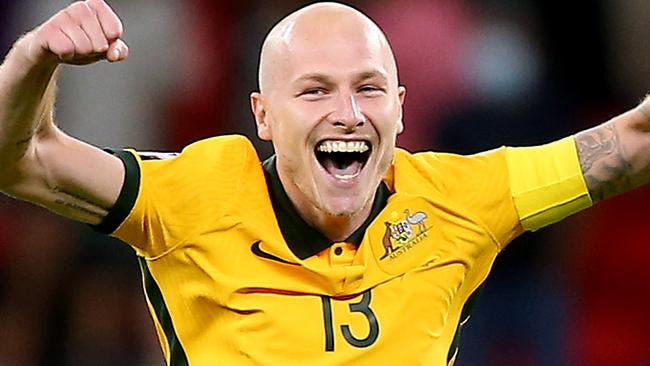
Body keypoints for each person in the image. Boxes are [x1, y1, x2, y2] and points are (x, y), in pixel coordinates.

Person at [0, 1, 648, 365]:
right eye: (314, 91)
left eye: (368, 89)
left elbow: (631, 143)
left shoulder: (458, 198)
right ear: (263, 117)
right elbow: (20, 160)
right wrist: (35, 58)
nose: (347, 112)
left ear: (398, 107)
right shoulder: (194, 194)